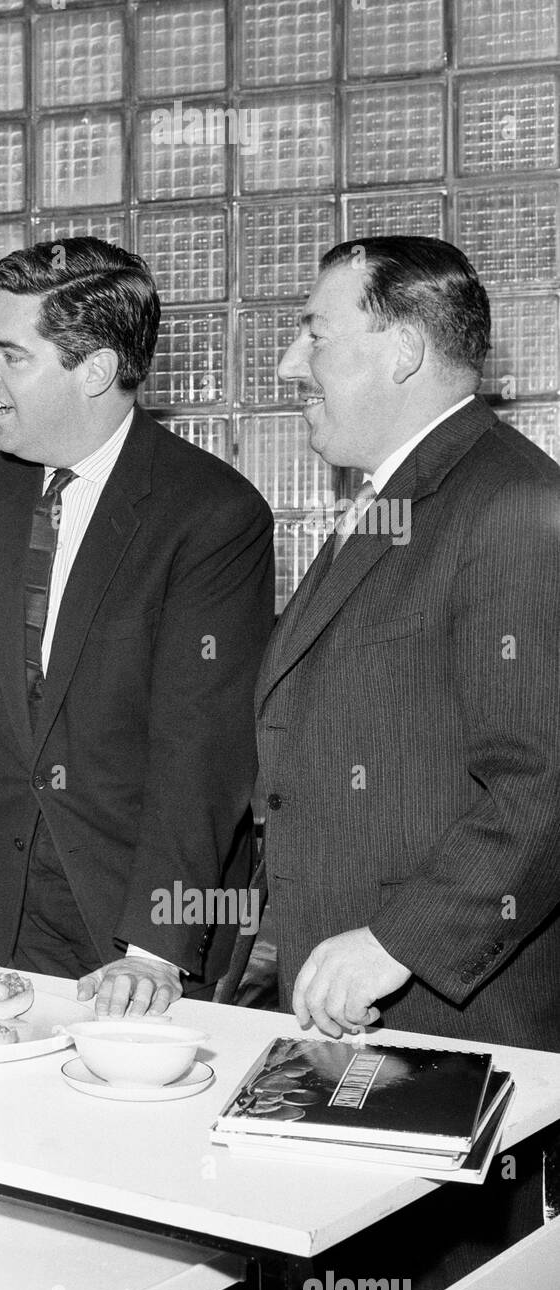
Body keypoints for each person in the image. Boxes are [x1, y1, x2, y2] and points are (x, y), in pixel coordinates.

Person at [0, 238, 275, 1016]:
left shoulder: (211, 514)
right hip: (19, 895)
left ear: (96, 370)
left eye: (11, 355)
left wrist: (153, 952)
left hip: (155, 914)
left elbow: (201, 750)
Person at [258, 235, 560, 1053]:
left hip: (450, 1023)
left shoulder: (513, 505)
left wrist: (397, 942)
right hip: (350, 1011)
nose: (291, 364)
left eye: (316, 334)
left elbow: (544, 784)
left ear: (403, 351)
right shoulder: (399, 497)